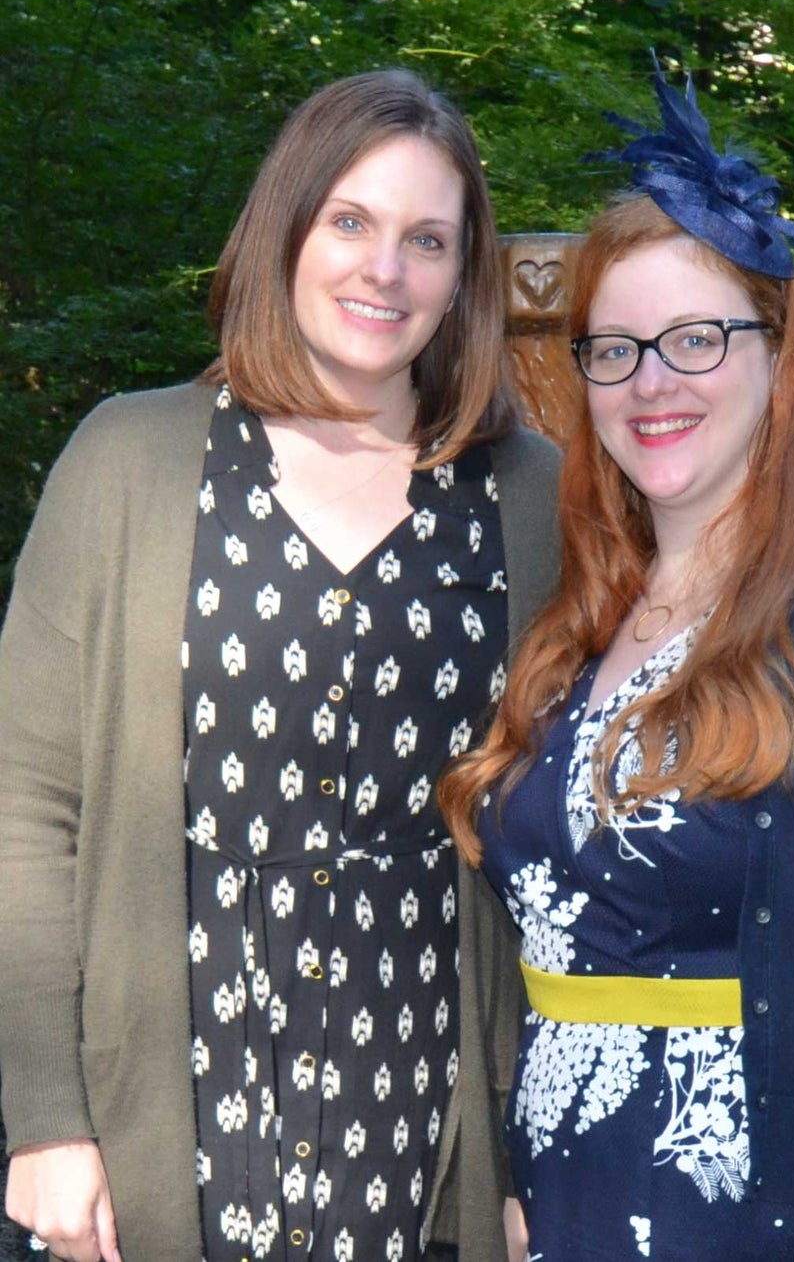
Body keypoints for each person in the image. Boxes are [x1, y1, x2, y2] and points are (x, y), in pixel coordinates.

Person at [439, 71, 794, 1261]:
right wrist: (515, 1176)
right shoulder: (579, 632)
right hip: (567, 1216)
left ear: (778, 358)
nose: (653, 383)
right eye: (615, 350)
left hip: (783, 1227)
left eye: (696, 339)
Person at [0, 69, 559, 1262]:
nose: (384, 270)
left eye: (427, 240)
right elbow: (25, 807)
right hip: (177, 1072)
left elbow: (573, 835)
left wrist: (525, 1146)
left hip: (431, 1079)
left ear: (464, 277)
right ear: (286, 228)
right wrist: (46, 1118)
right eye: (350, 221)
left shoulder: (530, 497)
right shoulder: (128, 461)